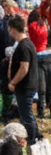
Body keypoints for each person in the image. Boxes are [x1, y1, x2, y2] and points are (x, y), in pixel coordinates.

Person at [4, 14, 40, 144]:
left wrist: (13, 82)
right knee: (28, 113)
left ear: (12, 29)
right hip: (28, 85)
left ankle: (32, 139)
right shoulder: (27, 43)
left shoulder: (23, 46)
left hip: (25, 86)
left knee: (26, 117)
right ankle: (38, 136)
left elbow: (24, 67)